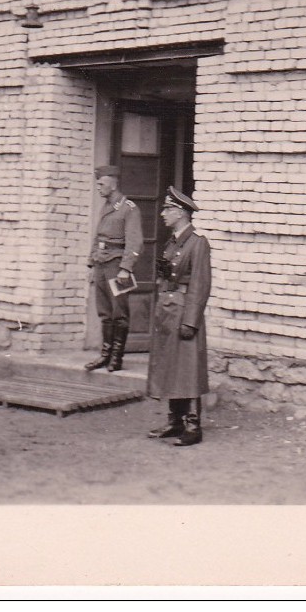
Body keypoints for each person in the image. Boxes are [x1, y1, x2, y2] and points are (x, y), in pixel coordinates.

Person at [147, 186, 212, 447]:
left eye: (168, 209)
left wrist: (191, 321)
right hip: (168, 311)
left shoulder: (197, 243)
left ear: (181, 213)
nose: (163, 214)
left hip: (184, 312)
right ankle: (175, 421)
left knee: (187, 369)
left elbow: (200, 284)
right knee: (171, 366)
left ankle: (193, 426)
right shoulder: (172, 242)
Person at [84, 165, 143, 373]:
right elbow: (98, 236)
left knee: (119, 313)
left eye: (101, 183)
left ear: (113, 183)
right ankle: (105, 354)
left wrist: (126, 268)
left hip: (117, 266)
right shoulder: (106, 206)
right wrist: (91, 263)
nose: (98, 187)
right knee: (104, 312)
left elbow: (135, 242)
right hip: (101, 264)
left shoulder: (128, 208)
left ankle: (116, 357)